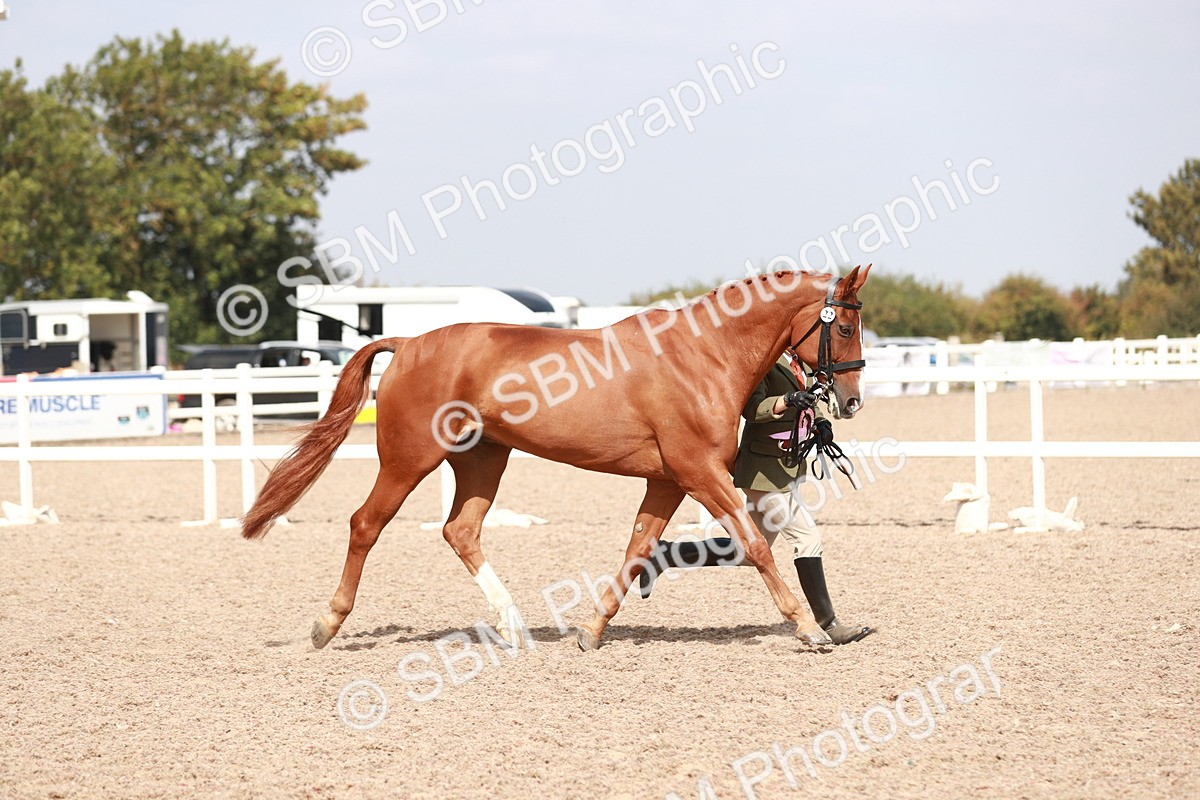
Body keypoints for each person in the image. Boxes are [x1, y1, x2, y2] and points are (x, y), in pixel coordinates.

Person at [640, 352, 873, 645]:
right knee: (807, 538)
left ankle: (665, 554)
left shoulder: (802, 363)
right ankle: (828, 622)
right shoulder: (768, 362)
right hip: (763, 473)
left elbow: (810, 401)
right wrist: (786, 401)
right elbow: (752, 408)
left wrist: (821, 423)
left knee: (745, 551)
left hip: (785, 467)